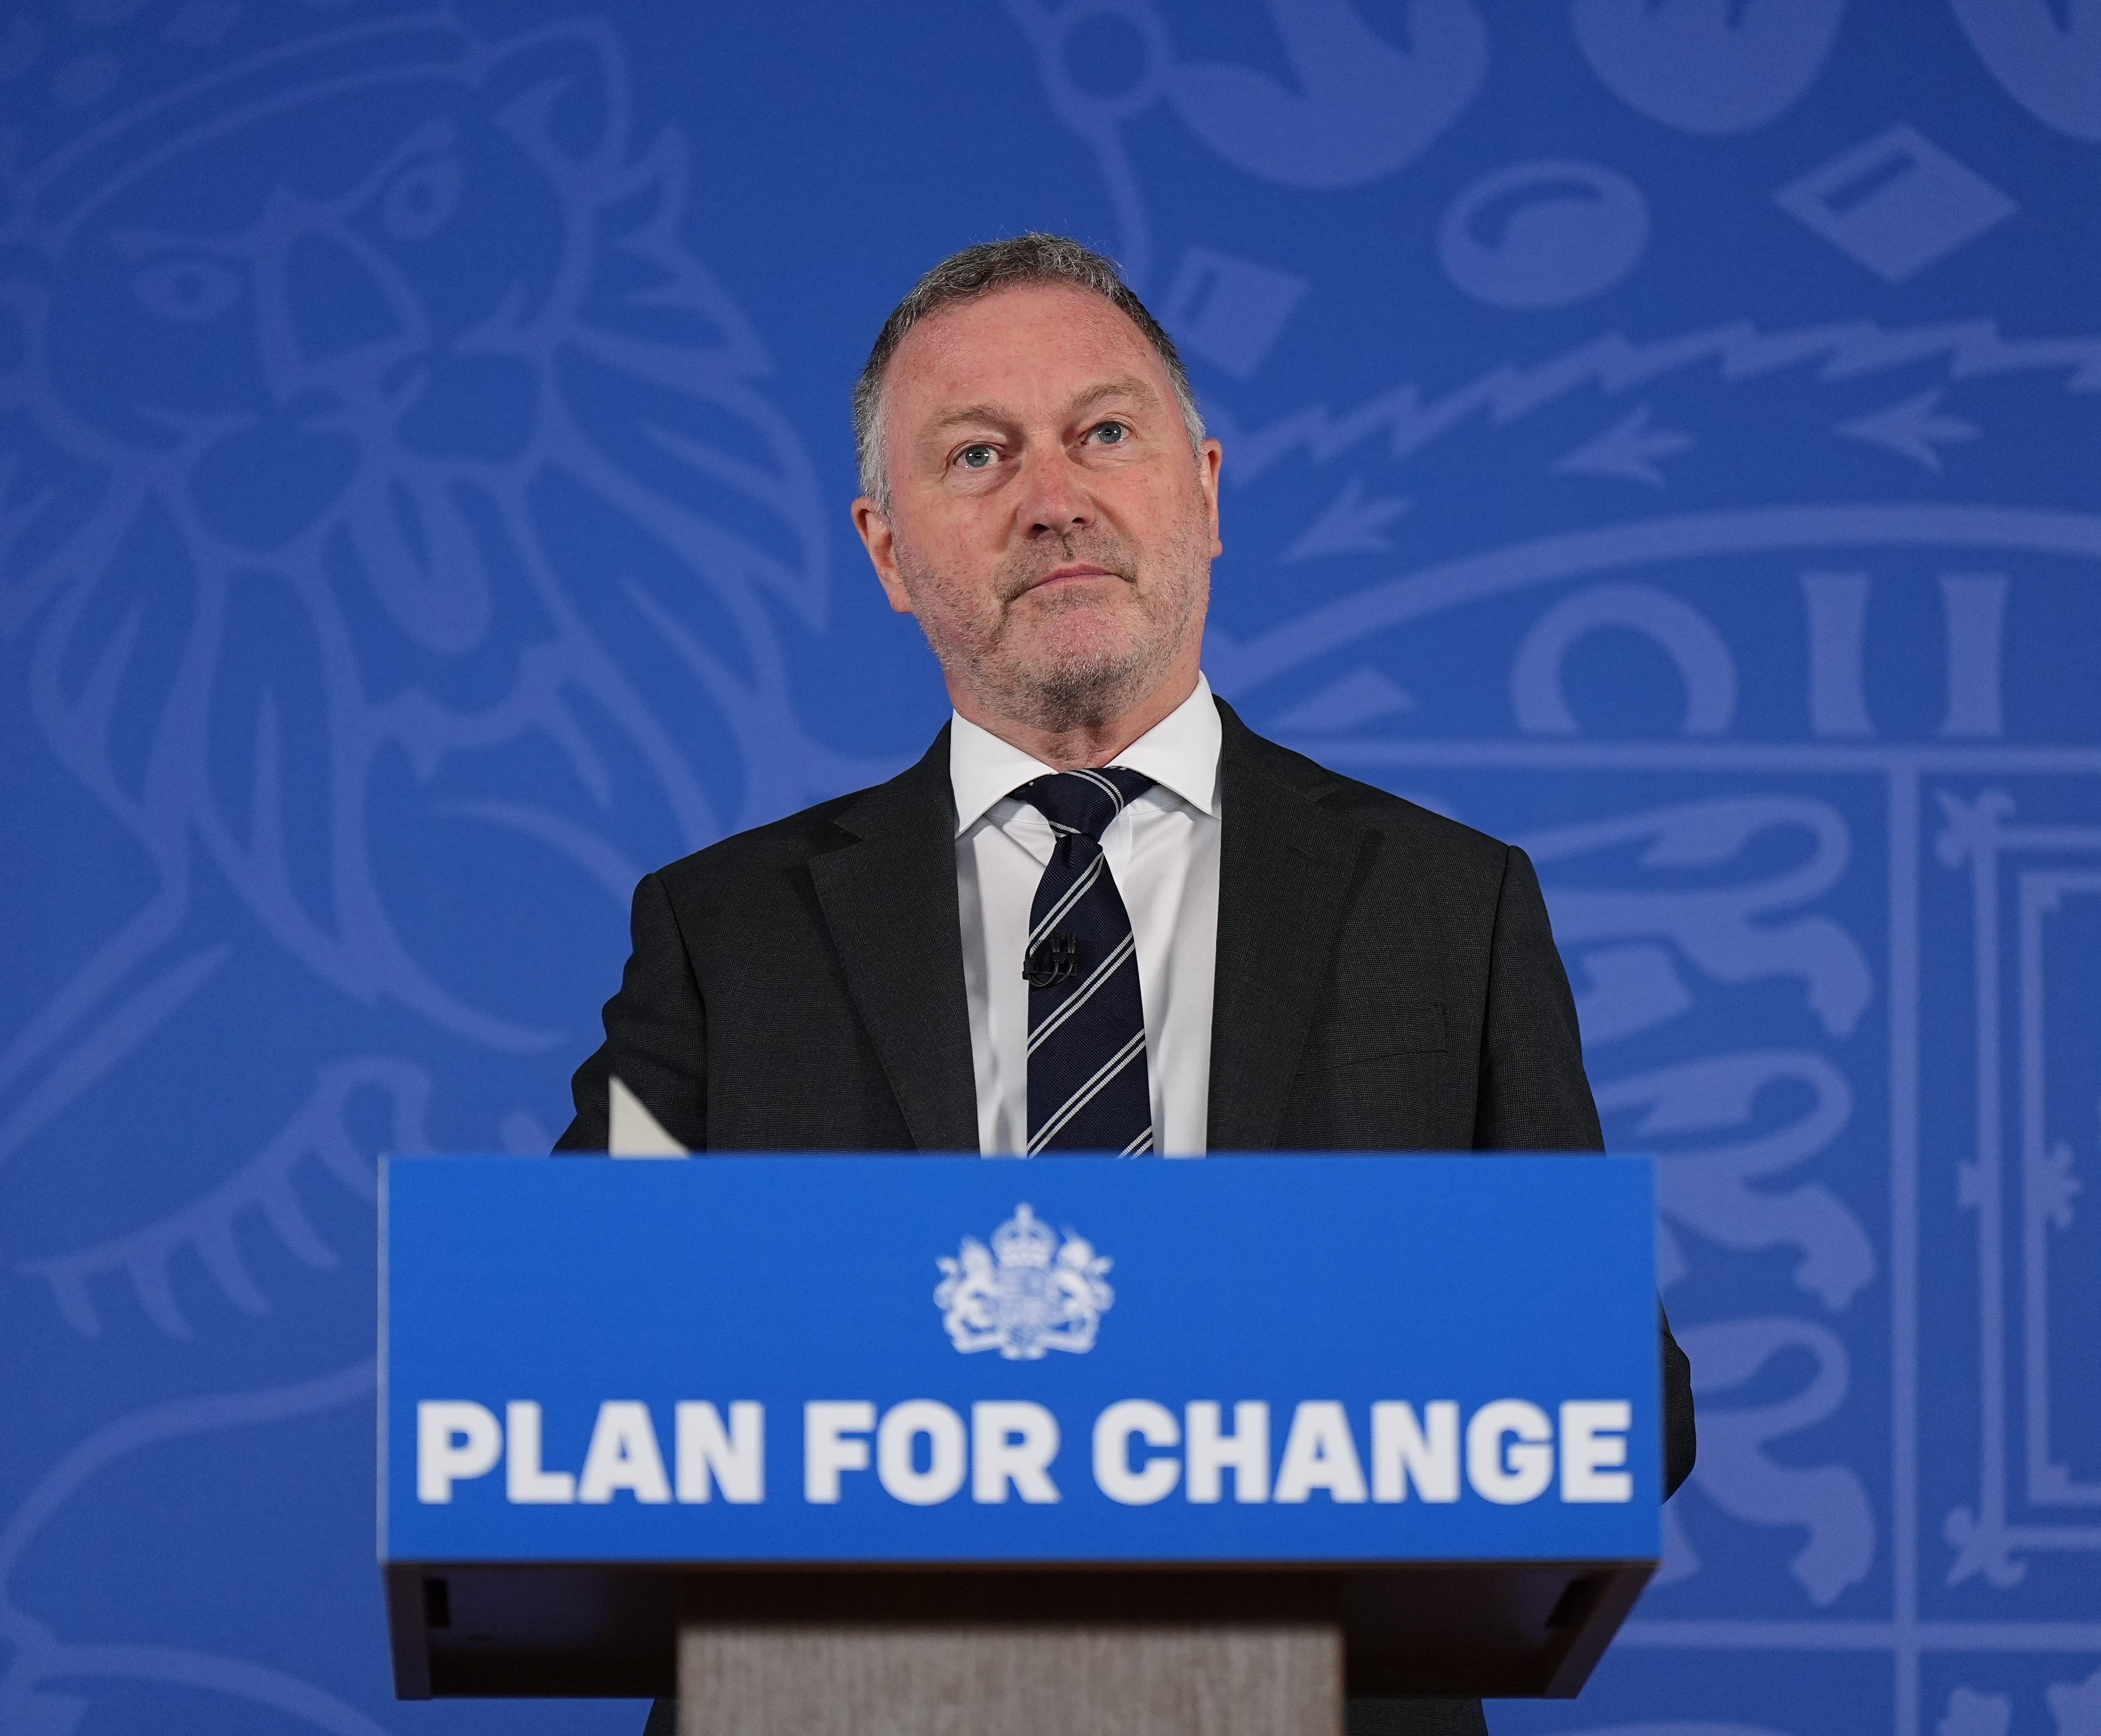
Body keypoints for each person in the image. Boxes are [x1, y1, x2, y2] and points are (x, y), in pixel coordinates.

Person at [560, 234, 1692, 1736]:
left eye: (1104, 433)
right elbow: (570, 1364)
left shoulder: (1448, 906)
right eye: (979, 455)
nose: (1054, 498)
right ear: (890, 553)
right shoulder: (722, 930)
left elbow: (1620, 1396)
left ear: (1205, 492)